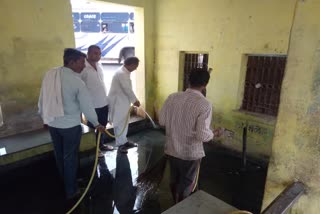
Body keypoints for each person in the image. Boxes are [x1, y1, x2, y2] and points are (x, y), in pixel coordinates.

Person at [38, 48, 105, 200]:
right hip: (69, 127)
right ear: (72, 62)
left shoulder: (50, 74)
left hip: (53, 123)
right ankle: (71, 190)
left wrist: (44, 117)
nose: (83, 65)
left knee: (60, 155)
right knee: (70, 157)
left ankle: (68, 181)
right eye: (81, 62)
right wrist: (96, 123)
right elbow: (86, 106)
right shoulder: (76, 81)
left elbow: (42, 96)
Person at [159, 68, 222, 203]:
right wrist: (214, 133)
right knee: (187, 183)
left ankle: (175, 203)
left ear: (188, 80)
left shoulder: (172, 97)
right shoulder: (204, 104)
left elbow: (162, 121)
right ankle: (181, 206)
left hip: (171, 149)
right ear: (205, 85)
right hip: (190, 154)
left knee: (174, 179)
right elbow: (202, 135)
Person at [81, 45, 113, 152]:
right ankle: (94, 149)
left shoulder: (100, 65)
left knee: (103, 126)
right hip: (91, 105)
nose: (98, 56)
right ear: (88, 53)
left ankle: (101, 145)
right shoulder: (82, 67)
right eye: (95, 53)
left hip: (103, 102)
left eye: (99, 53)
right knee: (92, 127)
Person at [108, 57, 140, 153]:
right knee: (119, 123)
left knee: (124, 123)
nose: (136, 68)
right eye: (136, 66)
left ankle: (124, 141)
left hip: (123, 102)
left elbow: (127, 89)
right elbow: (127, 89)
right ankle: (120, 144)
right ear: (131, 64)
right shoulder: (121, 74)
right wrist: (135, 100)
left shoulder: (125, 72)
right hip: (118, 103)